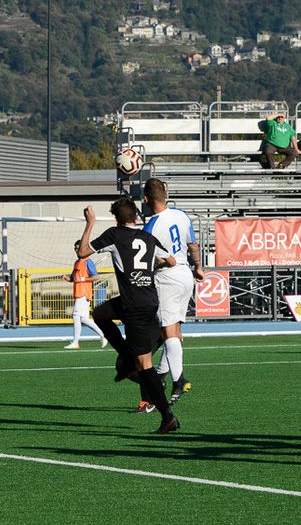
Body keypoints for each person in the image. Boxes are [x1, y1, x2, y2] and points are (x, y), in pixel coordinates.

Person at [78, 198, 180, 434]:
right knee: (100, 313)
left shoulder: (115, 235)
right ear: (135, 216)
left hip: (134, 306)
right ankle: (127, 355)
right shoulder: (147, 237)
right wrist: (151, 269)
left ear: (116, 218)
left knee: (143, 366)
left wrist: (90, 223)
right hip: (148, 300)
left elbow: (83, 252)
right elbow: (172, 261)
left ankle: (167, 416)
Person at [142, 178, 205, 406]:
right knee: (175, 331)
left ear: (146, 199)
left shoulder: (151, 226)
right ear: (165, 195)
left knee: (168, 332)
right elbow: (192, 245)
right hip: (186, 274)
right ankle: (161, 375)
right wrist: (198, 267)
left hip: (167, 278)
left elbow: (148, 260)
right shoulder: (181, 215)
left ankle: (179, 379)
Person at [61, 242, 108, 349]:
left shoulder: (88, 262)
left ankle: (75, 342)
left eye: (78, 248)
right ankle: (103, 334)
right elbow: (74, 278)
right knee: (83, 318)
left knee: (76, 315)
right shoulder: (77, 262)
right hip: (78, 292)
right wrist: (68, 278)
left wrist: (82, 279)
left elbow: (96, 277)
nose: (76, 250)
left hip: (84, 292)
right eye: (75, 248)